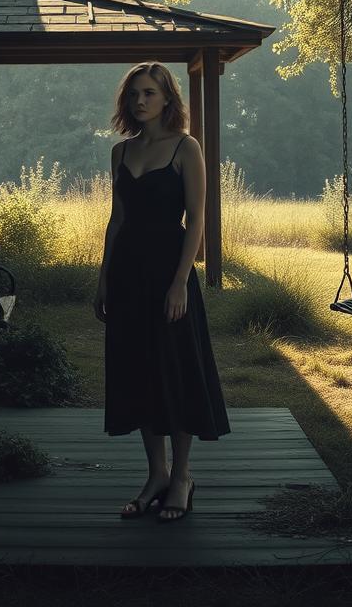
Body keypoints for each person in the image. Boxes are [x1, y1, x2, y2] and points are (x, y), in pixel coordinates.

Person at [93, 61, 230, 523]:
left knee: (176, 370)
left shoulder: (186, 148)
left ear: (168, 97)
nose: (139, 101)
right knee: (139, 371)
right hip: (128, 276)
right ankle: (156, 474)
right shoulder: (121, 152)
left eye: (149, 93)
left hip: (170, 275)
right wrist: (103, 277)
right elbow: (118, 221)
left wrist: (179, 282)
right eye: (133, 94)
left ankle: (183, 475)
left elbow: (197, 221)